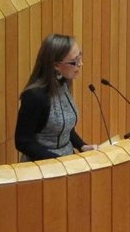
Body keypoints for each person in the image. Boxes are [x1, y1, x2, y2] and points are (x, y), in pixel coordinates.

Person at [14, 33, 97, 161]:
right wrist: (57, 161)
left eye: (80, 57)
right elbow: (23, 141)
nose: (80, 64)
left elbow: (64, 128)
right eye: (74, 61)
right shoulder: (34, 96)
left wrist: (81, 145)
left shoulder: (63, 83)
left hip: (66, 161)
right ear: (56, 65)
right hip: (42, 165)